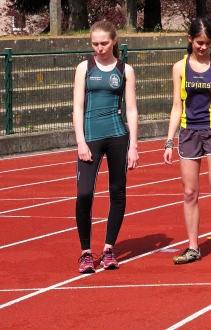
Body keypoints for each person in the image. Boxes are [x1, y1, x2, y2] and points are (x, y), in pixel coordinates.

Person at [163, 17, 211, 268]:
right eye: (199, 42)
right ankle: (193, 246)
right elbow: (176, 106)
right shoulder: (179, 68)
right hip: (188, 132)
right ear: (189, 40)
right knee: (190, 192)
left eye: (207, 43)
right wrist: (169, 140)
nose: (203, 47)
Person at [73, 20, 139, 273]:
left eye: (104, 43)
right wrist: (80, 141)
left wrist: (133, 144)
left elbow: (131, 109)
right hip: (90, 137)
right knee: (84, 194)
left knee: (117, 193)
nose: (99, 48)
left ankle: (109, 248)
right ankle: (86, 253)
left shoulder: (125, 70)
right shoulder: (84, 68)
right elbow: (78, 107)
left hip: (117, 136)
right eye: (95, 43)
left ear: (113, 41)